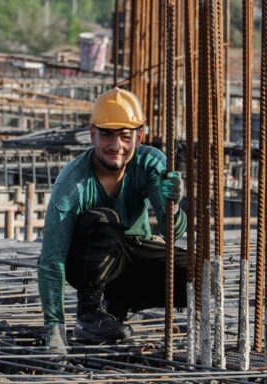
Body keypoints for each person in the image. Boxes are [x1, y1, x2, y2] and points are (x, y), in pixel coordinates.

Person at [37, 87, 187, 357]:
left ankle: (116, 308)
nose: (116, 146)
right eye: (107, 134)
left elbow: (170, 233)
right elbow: (52, 258)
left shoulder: (151, 163)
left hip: (131, 256)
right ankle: (90, 315)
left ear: (139, 136)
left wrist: (173, 207)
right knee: (105, 222)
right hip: (87, 262)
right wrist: (54, 328)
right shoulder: (72, 183)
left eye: (125, 136)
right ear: (92, 133)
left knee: (197, 274)